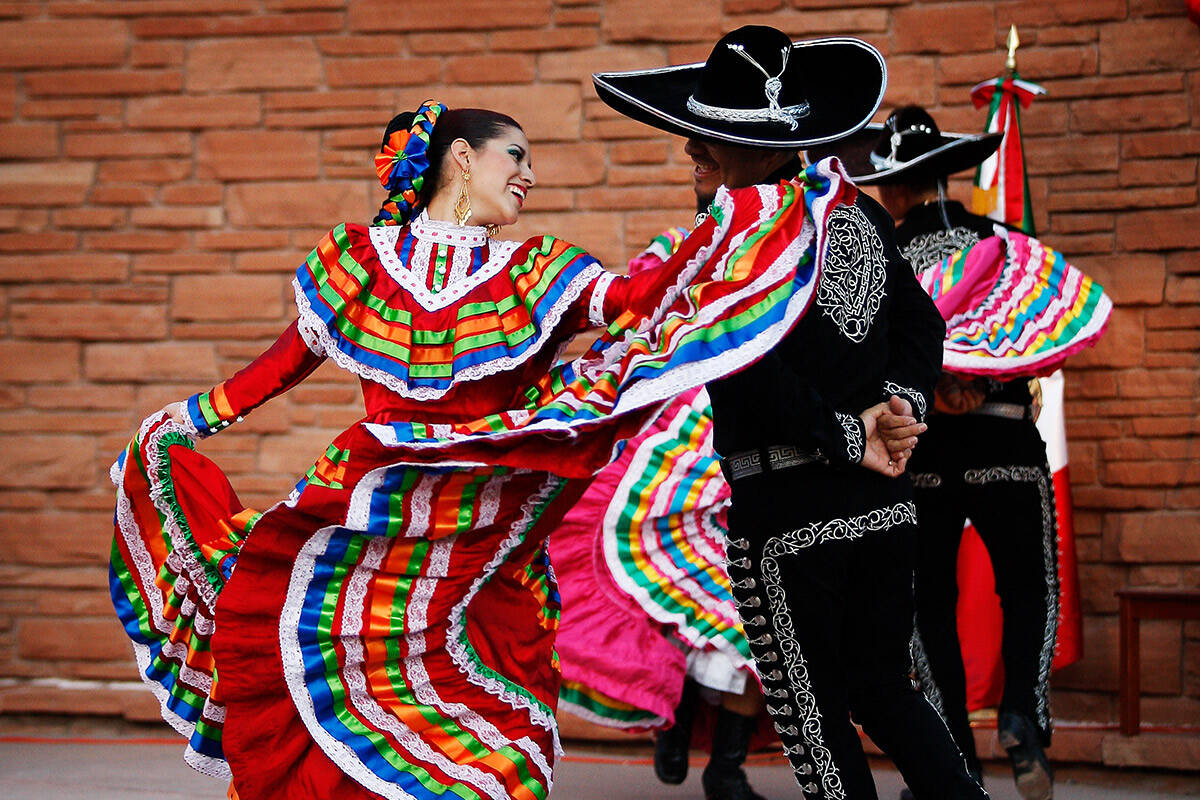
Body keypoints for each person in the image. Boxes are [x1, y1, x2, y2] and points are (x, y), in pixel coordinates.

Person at [109, 98, 864, 800]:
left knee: (499, 746)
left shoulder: (537, 270)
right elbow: (282, 364)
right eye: (517, 156)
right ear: (462, 158)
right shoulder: (359, 262)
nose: (530, 175)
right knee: (328, 692)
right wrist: (187, 419)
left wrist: (743, 217)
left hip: (482, 546)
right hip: (372, 526)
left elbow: (632, 301)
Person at [593, 26, 987, 800]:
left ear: (768, 146)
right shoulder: (861, 216)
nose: (691, 151)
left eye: (709, 139)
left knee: (814, 717)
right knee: (883, 691)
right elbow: (922, 328)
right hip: (881, 505)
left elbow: (743, 366)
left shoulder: (730, 239)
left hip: (789, 509)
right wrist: (897, 408)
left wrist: (855, 431)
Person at [818, 105, 1059, 800]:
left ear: (894, 188)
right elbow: (1042, 329)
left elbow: (868, 354)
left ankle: (954, 760)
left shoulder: (881, 257)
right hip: (1006, 439)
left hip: (919, 452)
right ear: (947, 175)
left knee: (928, 608)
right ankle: (1023, 715)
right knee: (1030, 585)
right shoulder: (1005, 242)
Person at [553, 234, 773, 800]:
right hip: (678, 455)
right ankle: (673, 716)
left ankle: (727, 766)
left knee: (764, 615)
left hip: (763, 447)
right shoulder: (681, 250)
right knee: (663, 595)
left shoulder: (795, 251)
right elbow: (633, 329)